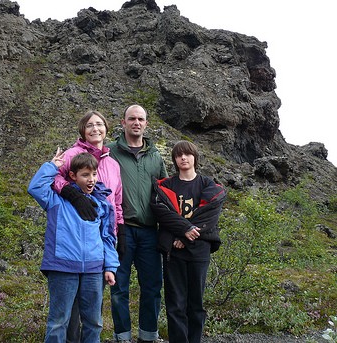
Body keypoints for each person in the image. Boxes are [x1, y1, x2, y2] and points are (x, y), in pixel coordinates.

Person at [27, 149, 120, 343]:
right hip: (62, 267)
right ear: (72, 176)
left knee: (94, 322)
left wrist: (110, 266)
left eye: (94, 174)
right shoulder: (56, 200)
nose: (91, 179)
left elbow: (108, 237)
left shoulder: (102, 203)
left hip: (94, 269)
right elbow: (35, 188)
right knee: (58, 322)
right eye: (85, 175)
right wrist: (52, 166)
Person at [52, 110, 125, 343]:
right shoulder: (72, 154)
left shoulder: (113, 164)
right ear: (83, 130)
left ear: (107, 128)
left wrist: (117, 231)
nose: (96, 129)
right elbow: (54, 179)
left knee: (93, 312)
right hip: (74, 239)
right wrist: (73, 194)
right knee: (68, 313)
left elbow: (117, 200)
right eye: (90, 125)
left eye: (100, 124)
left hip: (101, 241)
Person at [150, 140, 226, 343]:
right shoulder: (166, 186)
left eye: (188, 154)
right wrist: (184, 230)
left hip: (198, 250)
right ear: (174, 159)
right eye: (179, 155)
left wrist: (185, 235)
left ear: (195, 157)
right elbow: (162, 213)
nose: (183, 158)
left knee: (196, 302)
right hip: (173, 251)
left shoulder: (208, 184)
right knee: (175, 303)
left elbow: (208, 215)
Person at [107, 104, 168, 343]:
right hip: (121, 230)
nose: (136, 122)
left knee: (152, 287)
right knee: (119, 288)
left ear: (146, 123)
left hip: (150, 232)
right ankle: (122, 337)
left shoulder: (155, 156)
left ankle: (148, 337)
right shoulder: (109, 152)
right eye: (131, 118)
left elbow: (166, 195)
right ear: (123, 122)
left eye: (140, 119)